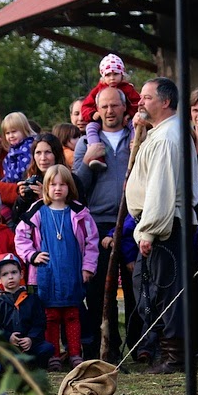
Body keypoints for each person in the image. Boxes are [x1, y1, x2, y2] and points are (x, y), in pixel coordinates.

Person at [126, 77, 197, 374]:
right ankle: (167, 352)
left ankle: (176, 357)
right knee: (157, 290)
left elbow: (161, 189)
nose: (140, 101)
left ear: (165, 101)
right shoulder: (162, 133)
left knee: (169, 291)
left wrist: (150, 230)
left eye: (147, 97)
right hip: (163, 223)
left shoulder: (168, 138)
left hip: (166, 224)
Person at [73, 88, 138, 361]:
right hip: (97, 224)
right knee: (101, 291)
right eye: (105, 106)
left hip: (133, 222)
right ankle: (107, 346)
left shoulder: (137, 139)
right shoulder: (84, 143)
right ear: (97, 110)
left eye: (115, 105)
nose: (110, 111)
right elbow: (76, 187)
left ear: (125, 109)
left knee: (136, 287)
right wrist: (88, 161)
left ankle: (139, 346)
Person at [15, 165, 99, 370]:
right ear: (46, 187)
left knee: (72, 314)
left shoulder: (80, 212)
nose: (58, 188)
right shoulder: (37, 210)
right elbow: (21, 236)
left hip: (72, 272)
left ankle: (75, 353)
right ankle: (54, 354)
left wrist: (88, 267)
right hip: (46, 275)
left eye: (62, 184)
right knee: (50, 317)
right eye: (53, 184)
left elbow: (92, 241)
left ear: (70, 187)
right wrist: (32, 255)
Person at [0, 255, 54, 369]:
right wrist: (8, 337)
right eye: (5, 274)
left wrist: (30, 338)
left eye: (14, 272)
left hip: (30, 345)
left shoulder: (32, 299)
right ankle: (17, 365)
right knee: (0, 357)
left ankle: (28, 364)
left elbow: (39, 323)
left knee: (47, 348)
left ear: (21, 274)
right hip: (8, 346)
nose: (10, 277)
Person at [79, 54, 141, 162]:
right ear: (103, 76)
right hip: (100, 119)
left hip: (125, 118)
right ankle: (97, 155)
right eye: (108, 75)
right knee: (90, 128)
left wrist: (129, 114)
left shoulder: (128, 88)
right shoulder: (98, 90)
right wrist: (93, 114)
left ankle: (134, 147)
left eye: (115, 74)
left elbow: (138, 103)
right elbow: (85, 106)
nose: (112, 78)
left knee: (135, 125)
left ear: (122, 74)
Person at [1, 112, 35, 182]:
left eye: (14, 132)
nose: (11, 136)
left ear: (24, 130)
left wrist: (5, 182)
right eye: (7, 133)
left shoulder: (27, 148)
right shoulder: (14, 149)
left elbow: (21, 171)